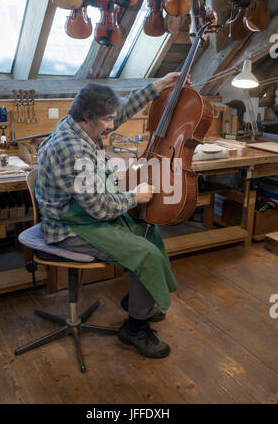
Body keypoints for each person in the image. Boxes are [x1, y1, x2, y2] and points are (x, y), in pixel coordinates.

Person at [36, 72, 190, 359]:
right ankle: (135, 328)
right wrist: (136, 196)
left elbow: (124, 109)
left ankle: (138, 303)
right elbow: (100, 208)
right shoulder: (71, 149)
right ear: (89, 116)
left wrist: (159, 85)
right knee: (145, 254)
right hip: (67, 227)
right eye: (107, 120)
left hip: (87, 212)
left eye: (111, 119)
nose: (112, 125)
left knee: (149, 231)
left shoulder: (81, 124)